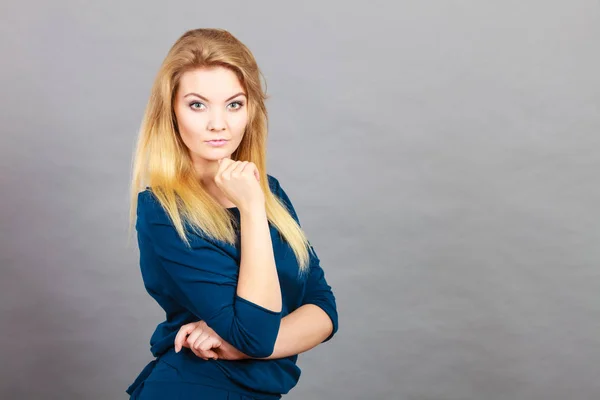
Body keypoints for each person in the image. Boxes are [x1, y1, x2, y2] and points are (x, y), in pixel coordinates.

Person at [125, 28, 339, 399]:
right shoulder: (162, 211)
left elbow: (323, 310)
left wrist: (245, 343)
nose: (218, 124)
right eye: (197, 104)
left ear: (250, 110)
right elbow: (258, 332)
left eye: (234, 104)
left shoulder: (269, 192)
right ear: (172, 112)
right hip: (192, 388)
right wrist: (252, 210)